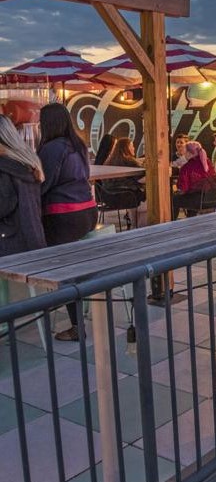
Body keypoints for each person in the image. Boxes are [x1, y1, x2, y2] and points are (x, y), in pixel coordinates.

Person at [38, 103, 97, 341]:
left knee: (64, 271)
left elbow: (43, 183)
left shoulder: (51, 148)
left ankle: (76, 327)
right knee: (74, 267)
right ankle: (82, 309)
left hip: (63, 215)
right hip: (87, 213)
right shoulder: (78, 145)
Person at [0, 114, 47, 257]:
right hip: (33, 237)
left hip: (9, 244)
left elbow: (2, 206)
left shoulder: (4, 168)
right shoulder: (28, 161)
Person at [172, 141, 216, 218]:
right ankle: (191, 219)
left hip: (198, 201)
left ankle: (171, 224)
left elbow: (182, 189)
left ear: (189, 153)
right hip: (212, 198)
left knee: (174, 199)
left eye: (185, 151)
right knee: (192, 194)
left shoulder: (186, 167)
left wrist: (175, 189)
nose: (184, 154)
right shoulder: (208, 163)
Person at [102, 137, 145, 202]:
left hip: (108, 197)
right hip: (128, 196)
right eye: (132, 146)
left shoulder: (109, 162)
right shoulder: (129, 161)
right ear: (127, 148)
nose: (134, 148)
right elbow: (140, 178)